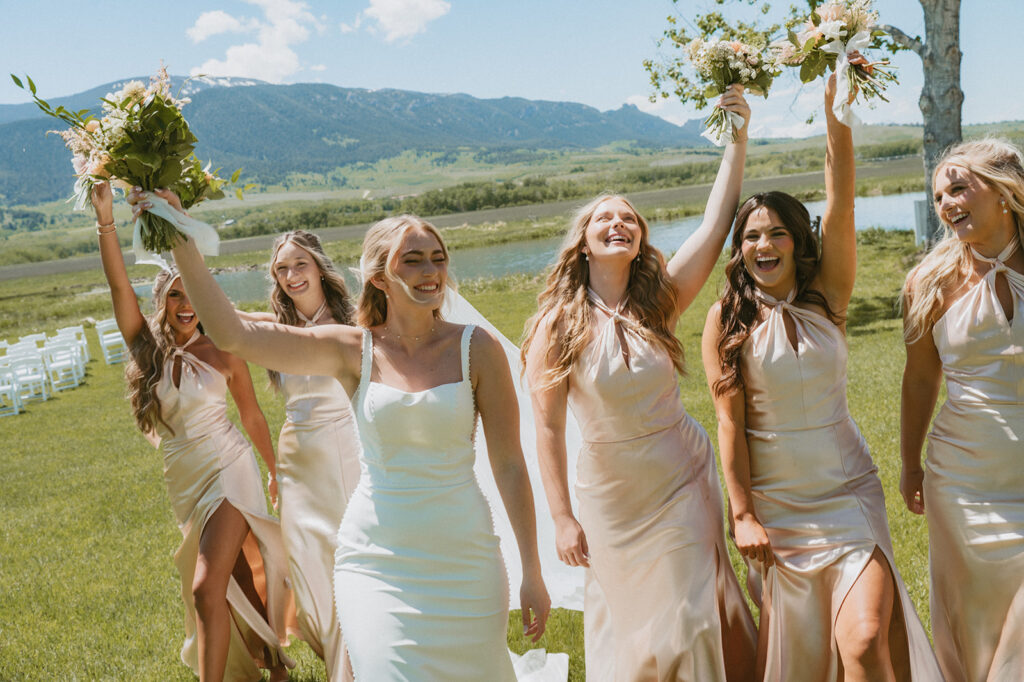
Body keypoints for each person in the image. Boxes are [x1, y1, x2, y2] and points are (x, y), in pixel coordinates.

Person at [137, 189, 552, 680]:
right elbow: (233, 335)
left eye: (438, 259)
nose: (430, 272)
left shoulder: (476, 348)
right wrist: (180, 231)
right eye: (413, 260)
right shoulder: (352, 349)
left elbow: (508, 465)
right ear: (380, 276)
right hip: (377, 559)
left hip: (466, 557)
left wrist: (532, 571)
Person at [700, 76, 941, 681]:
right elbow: (729, 424)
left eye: (778, 231)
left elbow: (842, 201)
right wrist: (743, 515)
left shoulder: (828, 297)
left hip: (847, 493)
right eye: (752, 235)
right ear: (740, 250)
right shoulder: (723, 322)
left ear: (797, 240)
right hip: (778, 509)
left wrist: (837, 107)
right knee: (809, 655)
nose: (765, 243)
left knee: (861, 641)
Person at [522, 85, 757, 681]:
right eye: (605, 216)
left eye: (629, 216)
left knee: (693, 616)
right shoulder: (556, 326)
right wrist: (561, 518)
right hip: (610, 499)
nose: (618, 221)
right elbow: (546, 426)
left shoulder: (661, 302)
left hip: (681, 476)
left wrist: (738, 135)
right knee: (634, 631)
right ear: (584, 242)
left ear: (640, 237)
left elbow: (714, 222)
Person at [90, 182, 292, 682]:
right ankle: (277, 670)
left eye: (192, 294)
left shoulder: (224, 348)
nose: (186, 305)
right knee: (237, 579)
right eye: (175, 294)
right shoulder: (145, 347)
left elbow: (251, 416)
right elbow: (119, 287)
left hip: (228, 467)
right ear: (161, 298)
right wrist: (105, 219)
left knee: (205, 588)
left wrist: (273, 472)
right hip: (183, 478)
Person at [900, 138, 1024, 681]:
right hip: (966, 482)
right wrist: (909, 465)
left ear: (1003, 192)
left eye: (958, 188)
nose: (947, 203)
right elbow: (921, 378)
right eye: (938, 196)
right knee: (984, 627)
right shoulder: (928, 282)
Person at [237, 230, 360, 681]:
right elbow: (224, 320)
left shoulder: (358, 320)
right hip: (296, 466)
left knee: (350, 560)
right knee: (309, 576)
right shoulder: (277, 328)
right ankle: (338, 663)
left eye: (300, 265)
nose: (291, 276)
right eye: (282, 269)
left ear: (320, 267)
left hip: (347, 456)